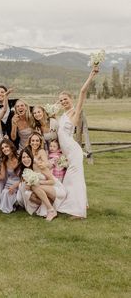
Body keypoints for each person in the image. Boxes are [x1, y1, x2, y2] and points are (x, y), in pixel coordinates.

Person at [56, 66, 99, 218]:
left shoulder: (75, 111)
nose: (63, 102)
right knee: (71, 179)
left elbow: (82, 92)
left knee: (74, 179)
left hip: (73, 151)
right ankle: (81, 204)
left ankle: (79, 211)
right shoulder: (62, 114)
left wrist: (91, 75)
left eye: (65, 99)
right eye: (61, 100)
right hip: (66, 152)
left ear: (71, 99)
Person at [15, 147, 60, 221]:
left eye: (28, 157)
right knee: (29, 194)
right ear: (21, 159)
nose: (26, 159)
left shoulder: (39, 165)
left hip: (55, 189)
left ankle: (51, 210)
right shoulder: (25, 170)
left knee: (34, 186)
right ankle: (49, 206)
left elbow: (52, 181)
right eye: (23, 157)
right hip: (43, 191)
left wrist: (39, 182)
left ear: (31, 157)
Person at [0, 139, 20, 213]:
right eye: (2, 148)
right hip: (9, 183)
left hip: (19, 183)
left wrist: (15, 186)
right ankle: (13, 205)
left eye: (6, 146)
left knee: (8, 193)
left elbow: (24, 176)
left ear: (11, 146)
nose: (4, 149)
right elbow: (2, 177)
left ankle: (16, 203)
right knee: (5, 193)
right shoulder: (4, 161)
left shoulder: (20, 158)